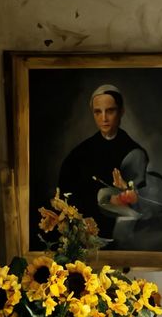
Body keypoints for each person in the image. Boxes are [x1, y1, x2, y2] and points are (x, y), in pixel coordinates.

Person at [53, 84, 145, 232]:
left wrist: (126, 194)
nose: (104, 118)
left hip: (119, 233)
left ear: (121, 111)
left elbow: (142, 203)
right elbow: (64, 196)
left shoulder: (134, 153)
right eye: (97, 112)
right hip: (83, 232)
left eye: (110, 111)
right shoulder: (78, 154)